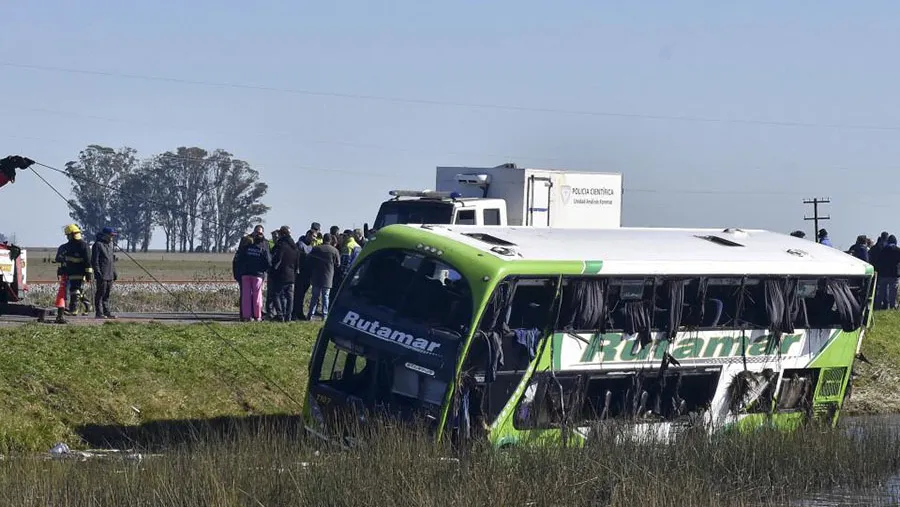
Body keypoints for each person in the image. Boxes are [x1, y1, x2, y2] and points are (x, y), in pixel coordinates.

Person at [55, 224, 93, 320]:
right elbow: (59, 258)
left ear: (71, 235)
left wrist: (88, 273)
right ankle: (87, 304)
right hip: (70, 271)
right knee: (77, 290)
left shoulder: (83, 246)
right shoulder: (65, 246)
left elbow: (88, 261)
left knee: (74, 290)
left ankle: (73, 310)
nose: (68, 237)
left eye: (68, 235)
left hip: (80, 272)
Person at [307, 233, 341, 320]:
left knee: (315, 296)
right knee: (325, 297)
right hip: (328, 277)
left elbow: (309, 260)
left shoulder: (316, 248)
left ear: (323, 239)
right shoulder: (334, 251)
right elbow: (338, 264)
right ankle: (324, 315)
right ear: (330, 240)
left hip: (316, 276)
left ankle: (310, 314)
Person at [238, 233, 271, 321]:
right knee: (257, 296)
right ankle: (257, 316)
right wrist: (263, 270)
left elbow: (240, 259)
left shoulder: (246, 248)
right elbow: (268, 262)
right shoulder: (263, 249)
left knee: (246, 296)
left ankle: (246, 316)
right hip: (258, 275)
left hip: (245, 274)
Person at [271, 226, 300, 321]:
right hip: (292, 275)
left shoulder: (281, 245)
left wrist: (273, 269)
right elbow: (297, 263)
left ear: (282, 234)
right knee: (290, 296)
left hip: (281, 274)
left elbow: (277, 259)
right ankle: (288, 316)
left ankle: (280, 315)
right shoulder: (294, 247)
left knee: (276, 294)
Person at [234, 225, 263, 312]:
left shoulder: (262, 243)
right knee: (246, 294)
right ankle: (245, 313)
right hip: (245, 273)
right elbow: (237, 261)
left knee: (254, 295)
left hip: (255, 274)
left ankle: (253, 312)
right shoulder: (246, 244)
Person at [91, 226, 118, 319]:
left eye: (113, 235)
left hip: (109, 273)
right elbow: (95, 261)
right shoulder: (97, 245)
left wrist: (114, 272)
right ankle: (99, 313)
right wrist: (97, 272)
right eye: (111, 235)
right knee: (100, 293)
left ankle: (107, 312)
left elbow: (111, 260)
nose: (112, 237)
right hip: (102, 274)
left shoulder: (110, 245)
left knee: (107, 294)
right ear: (104, 235)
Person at [874, 235, 900, 310]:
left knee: (881, 292)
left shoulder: (883, 250)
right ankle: (892, 307)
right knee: (893, 292)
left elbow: (879, 261)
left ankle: (877, 307)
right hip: (894, 274)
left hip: (883, 274)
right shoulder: (898, 250)